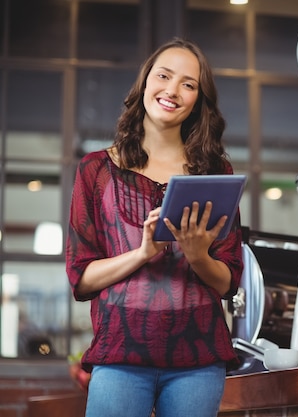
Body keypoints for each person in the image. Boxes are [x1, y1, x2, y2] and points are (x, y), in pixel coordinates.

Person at [65, 38, 243, 417]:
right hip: (119, 356)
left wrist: (198, 256)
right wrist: (144, 253)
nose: (173, 90)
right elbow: (81, 278)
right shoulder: (96, 170)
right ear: (145, 82)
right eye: (164, 76)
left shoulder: (216, 173)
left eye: (188, 84)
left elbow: (229, 281)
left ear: (199, 100)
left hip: (199, 358)